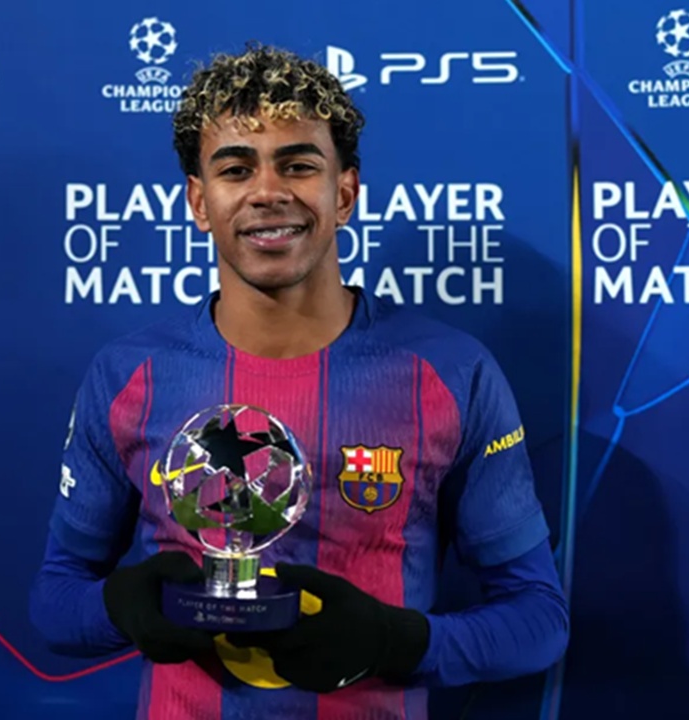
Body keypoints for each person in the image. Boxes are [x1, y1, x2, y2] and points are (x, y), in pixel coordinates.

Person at [29, 42, 569, 719]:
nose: (267, 192)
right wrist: (123, 607)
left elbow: (538, 619)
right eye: (236, 169)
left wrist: (394, 641)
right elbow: (54, 603)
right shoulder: (128, 375)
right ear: (199, 201)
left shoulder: (450, 374)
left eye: (298, 165)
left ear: (344, 193)